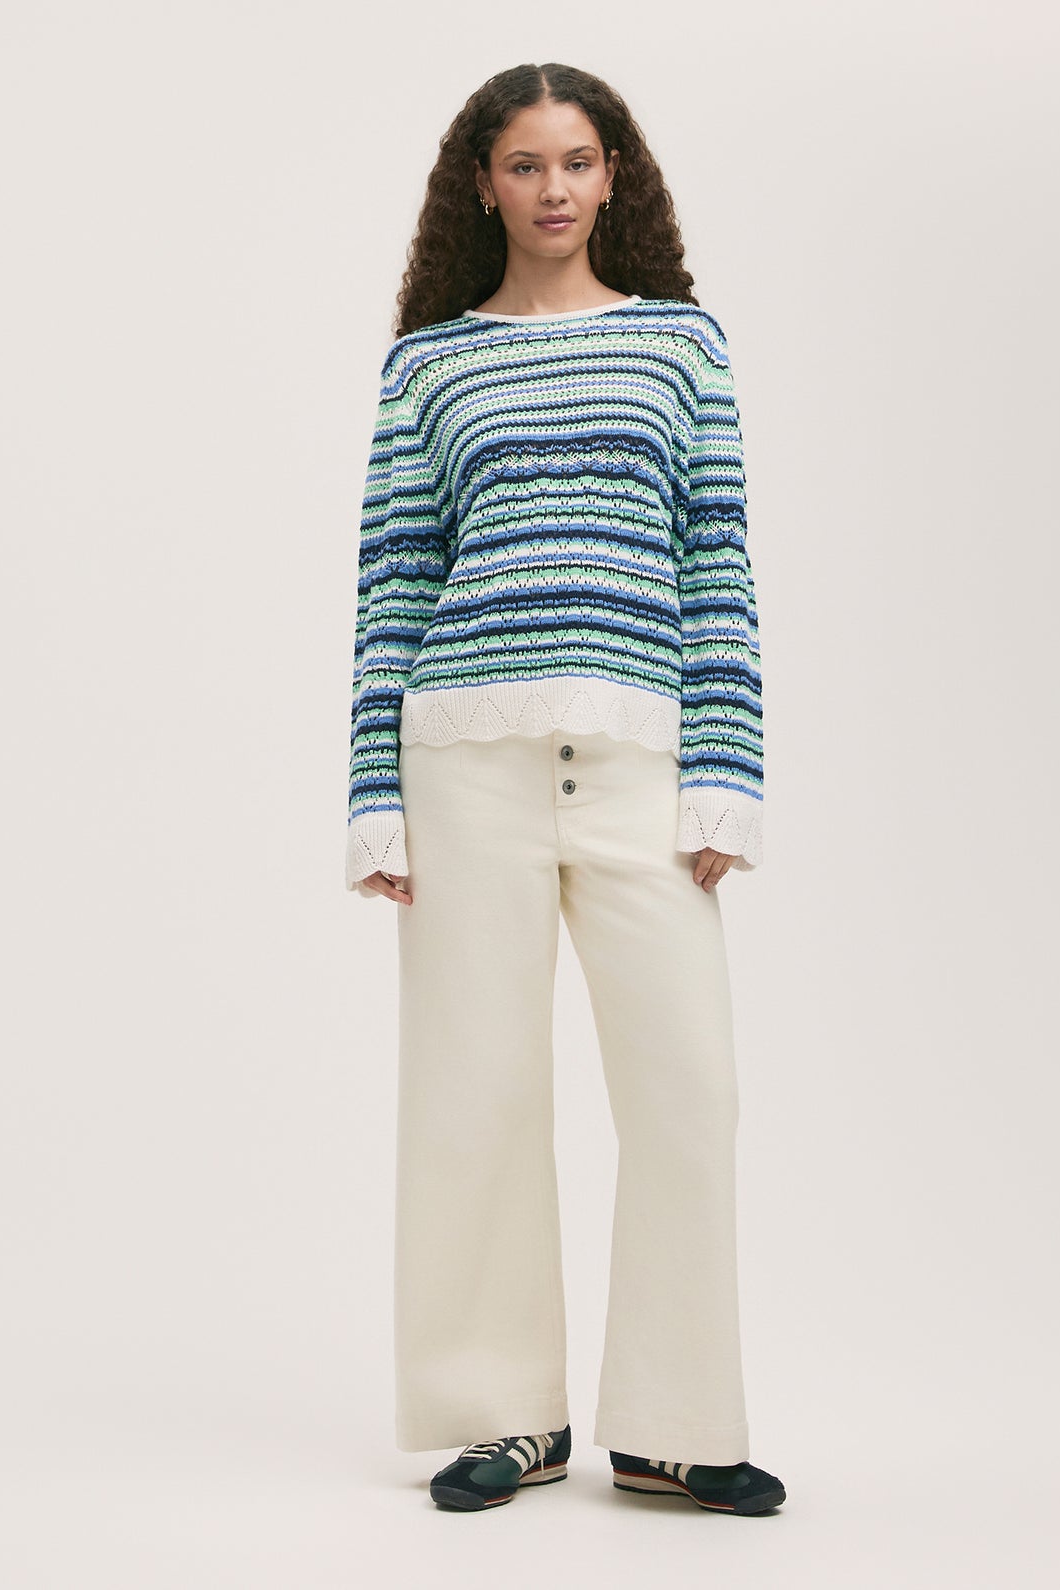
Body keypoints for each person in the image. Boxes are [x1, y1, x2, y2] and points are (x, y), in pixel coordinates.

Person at [345, 60, 786, 1517]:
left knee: (688, 1085)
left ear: (614, 177)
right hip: (461, 755)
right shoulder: (429, 364)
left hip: (643, 755)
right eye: (526, 164)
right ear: (482, 183)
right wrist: (373, 795)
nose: (553, 188)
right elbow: (394, 583)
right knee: (471, 1089)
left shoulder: (679, 343)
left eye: (578, 161)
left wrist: (726, 773)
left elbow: (716, 564)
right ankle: (503, 1414)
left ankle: (674, 1423)